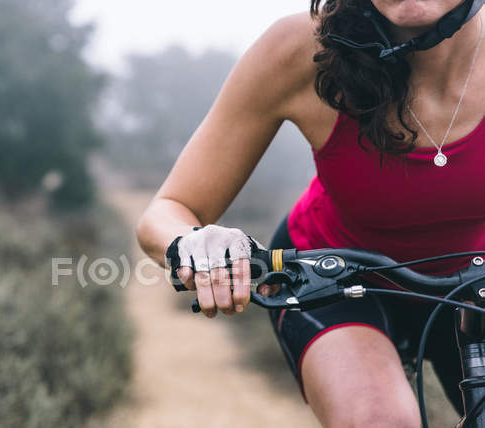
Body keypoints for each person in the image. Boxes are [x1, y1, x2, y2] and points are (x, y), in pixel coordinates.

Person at [136, 0, 485, 426]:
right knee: (380, 420)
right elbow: (169, 209)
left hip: (474, 282)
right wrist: (198, 242)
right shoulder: (302, 50)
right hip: (331, 277)